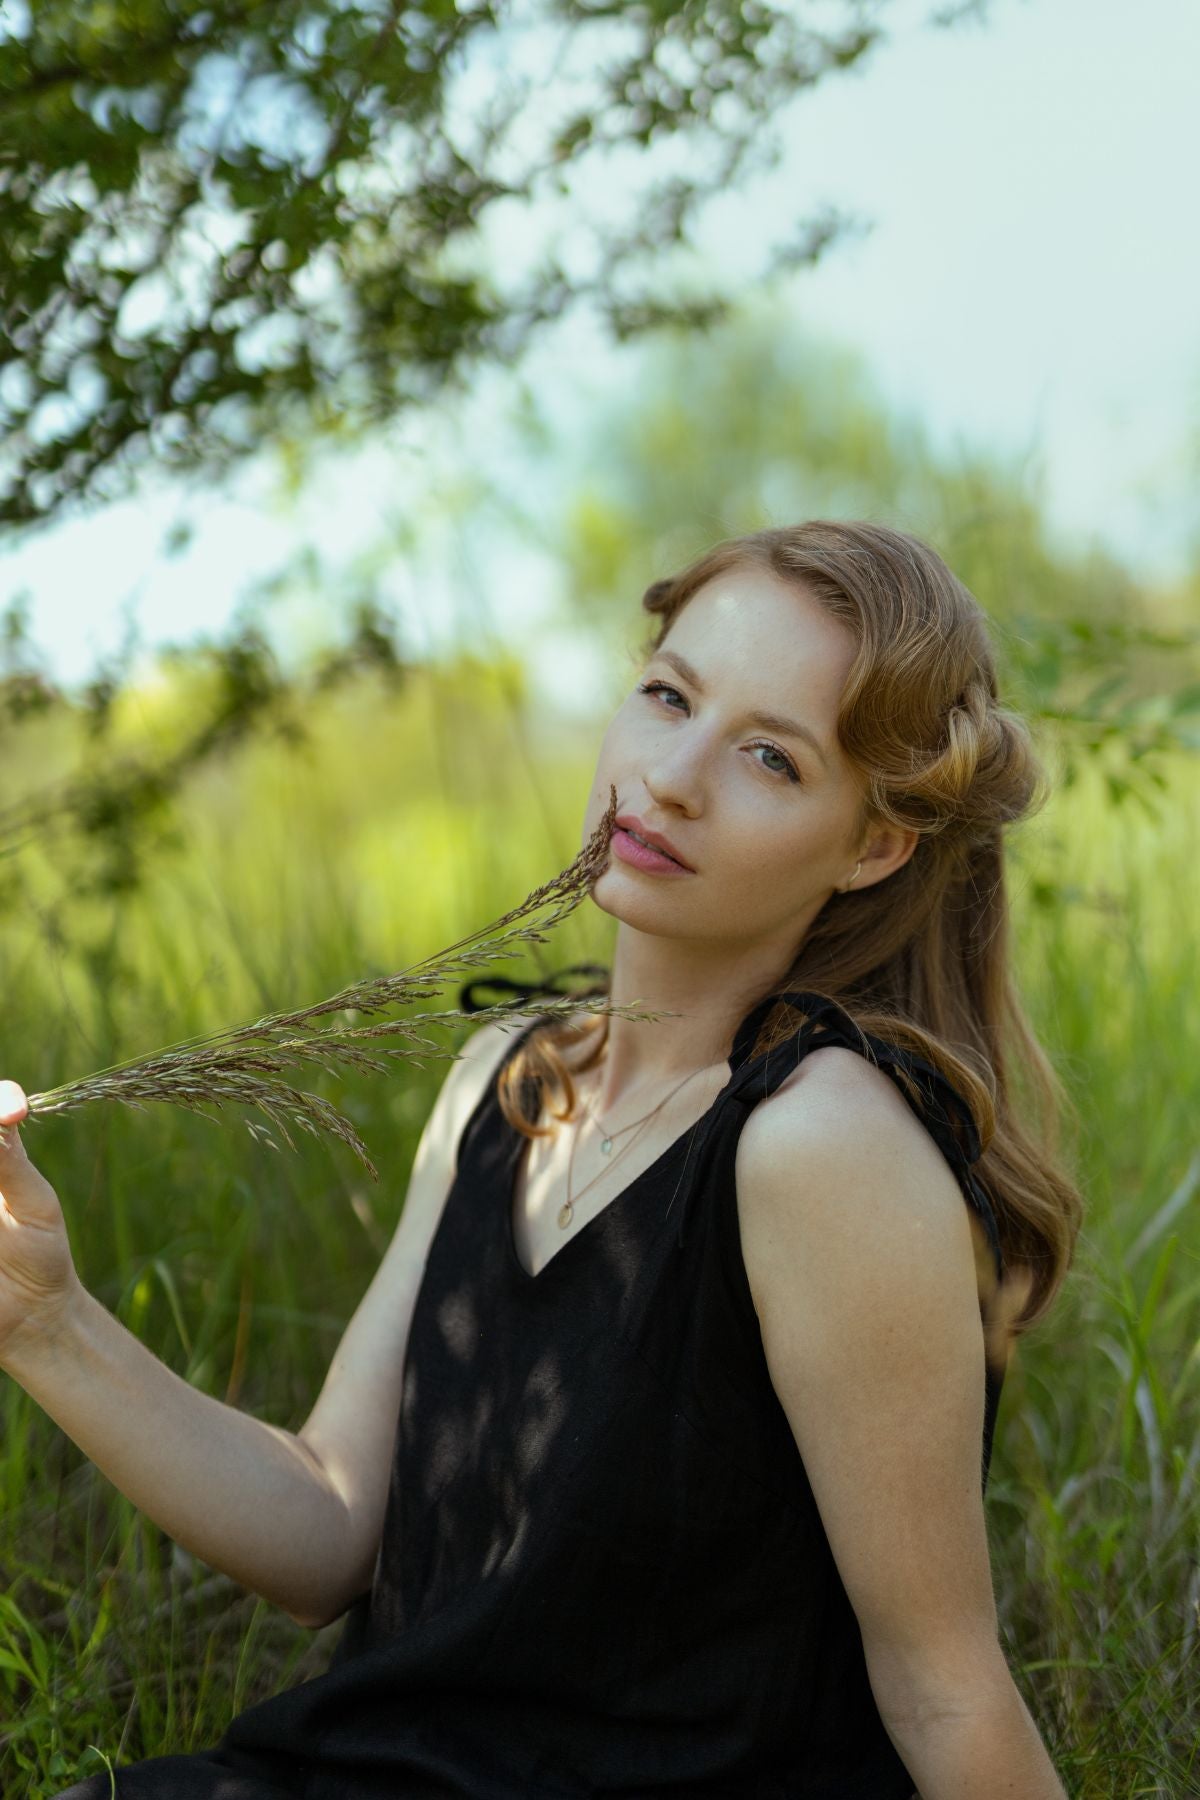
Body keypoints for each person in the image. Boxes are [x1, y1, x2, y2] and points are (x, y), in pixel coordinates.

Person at [0, 520, 1081, 1798]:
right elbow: (330, 1527)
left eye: (771, 758)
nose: (671, 778)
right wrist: (46, 1322)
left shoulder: (819, 1145)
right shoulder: (504, 1082)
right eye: (668, 695)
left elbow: (945, 1688)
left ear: (874, 844)